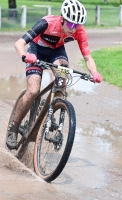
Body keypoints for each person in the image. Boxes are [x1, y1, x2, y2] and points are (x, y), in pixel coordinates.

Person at [6, 0, 103, 149]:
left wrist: (94, 72)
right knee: (33, 90)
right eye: (71, 24)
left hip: (56, 53)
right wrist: (25, 56)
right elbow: (19, 43)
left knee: (63, 75)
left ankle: (52, 111)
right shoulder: (47, 23)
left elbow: (88, 57)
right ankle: (14, 127)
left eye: (77, 25)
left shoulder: (79, 31)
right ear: (62, 18)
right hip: (36, 51)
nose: (73, 29)